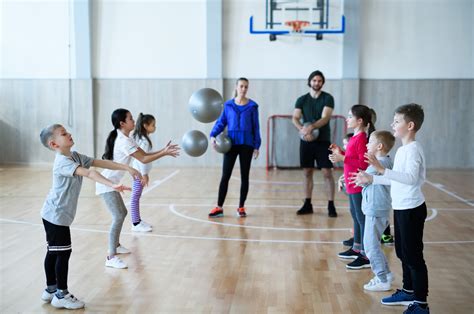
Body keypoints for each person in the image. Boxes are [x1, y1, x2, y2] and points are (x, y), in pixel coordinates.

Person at [39, 124, 140, 309]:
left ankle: (50, 289)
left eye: (67, 131)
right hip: (55, 215)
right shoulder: (63, 162)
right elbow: (90, 172)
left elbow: (99, 163)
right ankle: (61, 293)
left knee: (54, 251)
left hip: (54, 214)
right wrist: (112, 184)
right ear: (54, 144)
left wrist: (126, 167)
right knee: (62, 253)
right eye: (64, 134)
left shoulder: (74, 155)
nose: (69, 134)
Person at [353, 103, 429, 313]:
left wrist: (380, 170)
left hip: (412, 209)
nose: (392, 124)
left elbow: (411, 179)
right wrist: (372, 179)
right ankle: (408, 290)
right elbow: (398, 180)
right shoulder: (405, 150)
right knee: (403, 253)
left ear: (410, 125)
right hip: (402, 208)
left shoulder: (413, 149)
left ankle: (421, 303)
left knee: (413, 256)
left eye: (397, 121)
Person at [97, 109, 180, 269]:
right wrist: (164, 152)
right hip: (106, 184)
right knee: (118, 216)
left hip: (112, 182)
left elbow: (144, 154)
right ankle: (110, 256)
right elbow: (143, 159)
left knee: (122, 213)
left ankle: (116, 245)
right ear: (122, 123)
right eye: (130, 119)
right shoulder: (124, 141)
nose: (133, 121)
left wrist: (163, 151)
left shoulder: (125, 137)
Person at [329, 104, 374, 269]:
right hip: (351, 182)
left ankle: (365, 254)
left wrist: (343, 158)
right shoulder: (355, 137)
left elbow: (363, 163)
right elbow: (351, 157)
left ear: (360, 120)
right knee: (355, 215)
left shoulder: (361, 138)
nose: (347, 119)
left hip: (357, 183)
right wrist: (341, 152)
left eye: (350, 116)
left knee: (361, 218)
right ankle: (356, 247)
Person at [208, 77, 261, 218]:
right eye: (241, 86)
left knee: (245, 177)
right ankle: (219, 207)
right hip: (230, 144)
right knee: (225, 176)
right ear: (236, 87)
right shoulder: (228, 105)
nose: (243, 89)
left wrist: (257, 145)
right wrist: (213, 135)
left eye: (246, 87)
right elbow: (221, 122)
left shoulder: (253, 106)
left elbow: (256, 127)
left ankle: (241, 207)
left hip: (247, 145)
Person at [292, 70, 337, 217]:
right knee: (307, 172)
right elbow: (295, 118)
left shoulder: (328, 98)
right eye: (314, 80)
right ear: (310, 82)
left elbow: (325, 117)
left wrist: (311, 127)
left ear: (322, 83)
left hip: (323, 140)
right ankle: (307, 204)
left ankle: (331, 205)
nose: (316, 83)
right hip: (306, 141)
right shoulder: (302, 99)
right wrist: (303, 130)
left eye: (319, 81)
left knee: (327, 172)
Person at [358, 130, 396, 291]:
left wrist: (352, 181)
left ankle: (382, 279)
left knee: (370, 246)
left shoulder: (382, 164)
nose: (367, 144)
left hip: (376, 209)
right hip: (374, 208)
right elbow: (365, 180)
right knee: (372, 245)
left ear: (379, 146)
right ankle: (385, 274)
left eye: (370, 141)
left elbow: (365, 180)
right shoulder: (379, 162)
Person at [369, 108, 394, 246]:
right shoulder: (383, 159)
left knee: (371, 244)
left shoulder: (382, 160)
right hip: (378, 203)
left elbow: (366, 179)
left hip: (378, 203)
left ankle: (385, 235)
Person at [130, 113, 157, 232]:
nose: (155, 127)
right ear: (145, 125)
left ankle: (138, 220)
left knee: (137, 196)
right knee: (135, 196)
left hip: (138, 172)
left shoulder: (142, 138)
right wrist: (144, 174)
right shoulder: (144, 141)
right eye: (153, 125)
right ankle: (135, 223)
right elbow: (142, 159)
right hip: (139, 173)